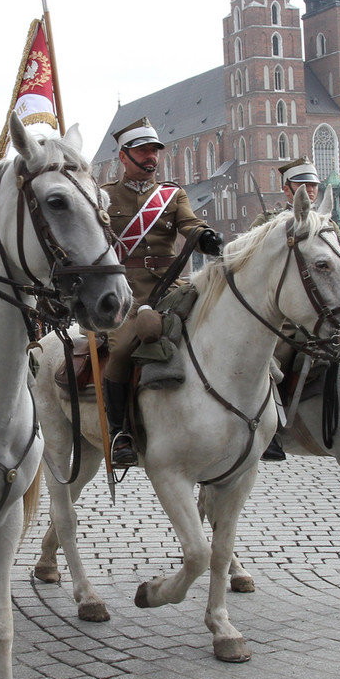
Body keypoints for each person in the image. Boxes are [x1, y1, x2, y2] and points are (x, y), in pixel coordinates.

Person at [102, 117, 223, 467]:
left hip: (170, 287)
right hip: (123, 292)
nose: (151, 157)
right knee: (124, 348)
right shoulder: (105, 197)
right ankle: (120, 432)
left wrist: (203, 235)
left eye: (154, 150)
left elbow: (189, 222)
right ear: (124, 157)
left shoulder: (172, 195)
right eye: (143, 150)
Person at [257, 156, 322, 461]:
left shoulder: (326, 224)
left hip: (317, 314)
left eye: (314, 185)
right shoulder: (269, 224)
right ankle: (270, 429)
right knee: (273, 359)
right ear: (287, 191)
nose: (309, 191)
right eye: (303, 185)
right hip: (279, 317)